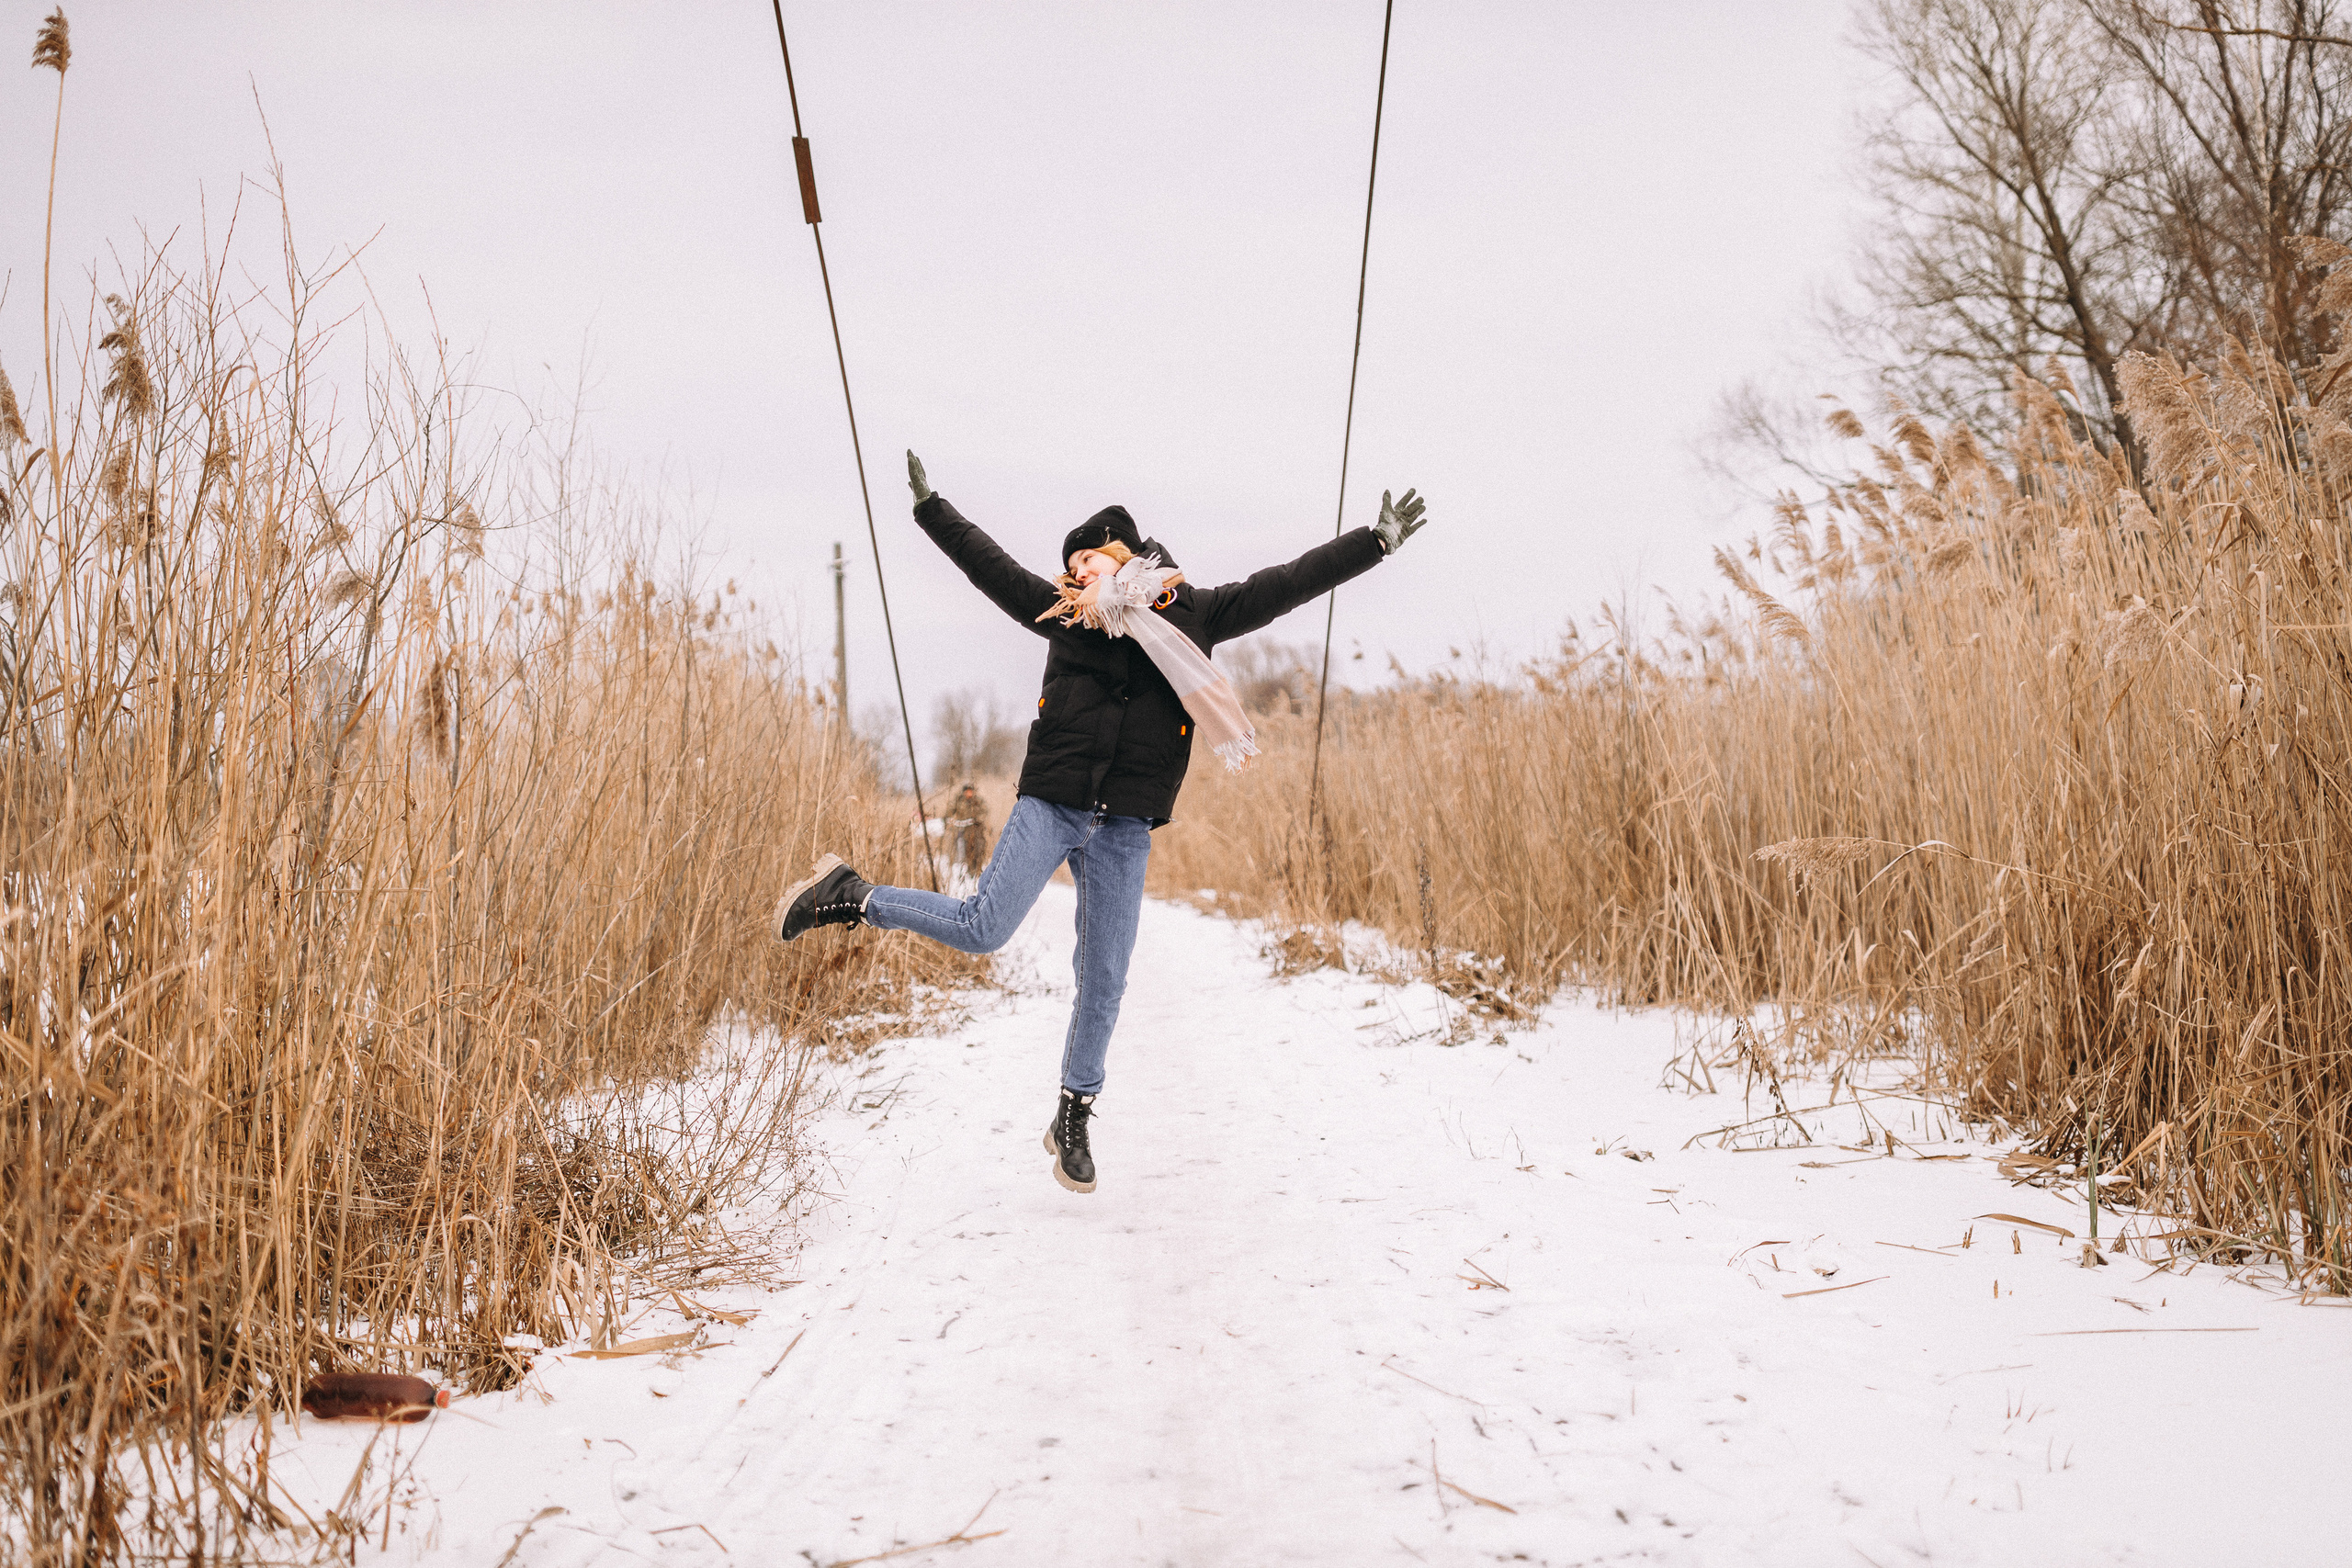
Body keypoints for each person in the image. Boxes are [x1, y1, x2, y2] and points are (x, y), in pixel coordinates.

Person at [775, 450, 1430, 1193]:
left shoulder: (1197, 616)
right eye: (1070, 564)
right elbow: (991, 570)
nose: (1075, 570)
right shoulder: (1066, 616)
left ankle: (1074, 1110)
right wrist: (934, 510)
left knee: (1106, 978)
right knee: (983, 927)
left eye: (1086, 557)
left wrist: (1371, 543)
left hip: (1125, 823)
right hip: (1054, 799)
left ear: (1125, 553)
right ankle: (854, 892)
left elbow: (1286, 584)